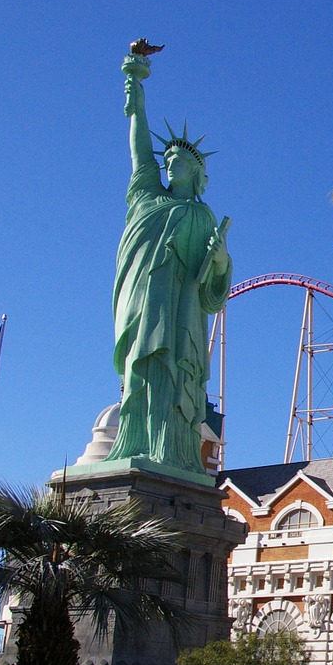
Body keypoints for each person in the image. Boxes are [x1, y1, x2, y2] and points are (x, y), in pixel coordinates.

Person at [107, 46, 232, 473]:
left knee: (172, 373)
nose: (170, 164)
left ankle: (172, 452)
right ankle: (133, 442)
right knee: (137, 368)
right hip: (141, 297)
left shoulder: (202, 215)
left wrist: (219, 261)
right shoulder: (146, 196)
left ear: (197, 175)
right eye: (169, 160)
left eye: (180, 161)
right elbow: (140, 149)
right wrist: (136, 97)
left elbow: (213, 292)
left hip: (180, 310)